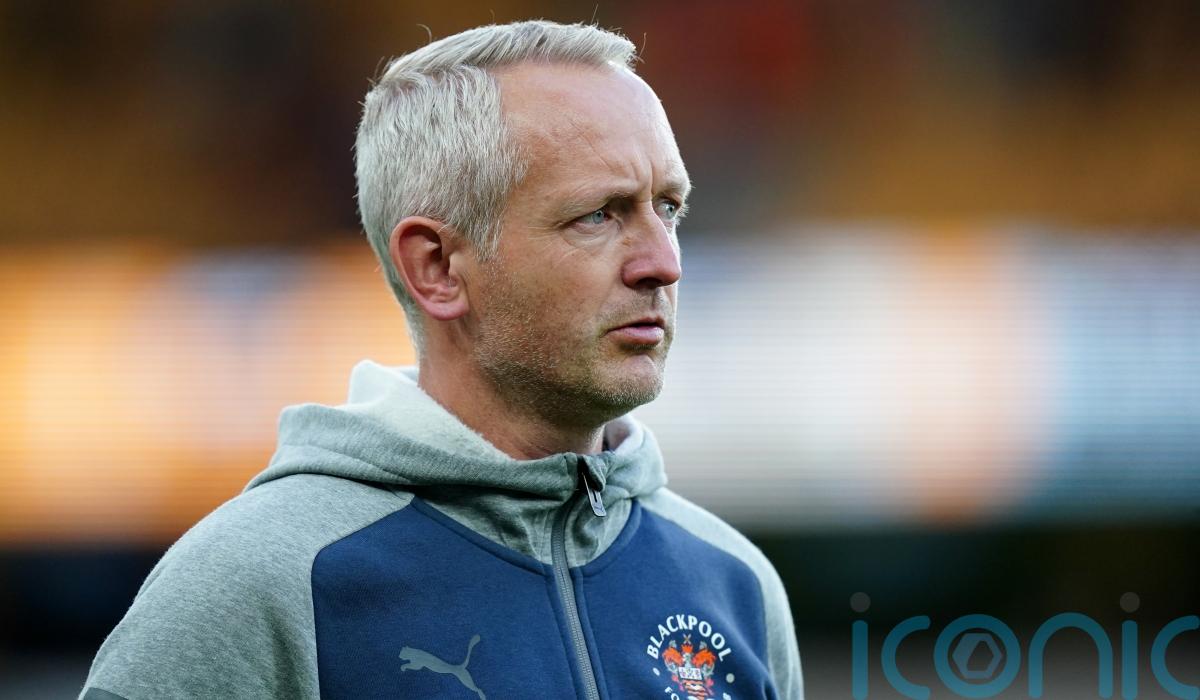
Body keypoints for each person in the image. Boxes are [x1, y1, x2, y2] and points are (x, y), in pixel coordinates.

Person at [81, 20, 803, 700]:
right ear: (437, 268)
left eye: (668, 208)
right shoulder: (257, 584)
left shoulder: (734, 583)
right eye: (598, 215)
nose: (664, 263)